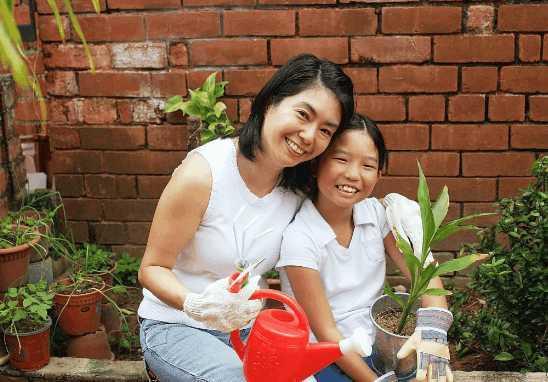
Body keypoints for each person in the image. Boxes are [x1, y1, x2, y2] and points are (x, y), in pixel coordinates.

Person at [137, 53, 355, 382]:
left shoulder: (296, 189)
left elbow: (350, 205)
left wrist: (395, 210)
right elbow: (151, 268)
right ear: (270, 102)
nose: (310, 136)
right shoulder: (202, 175)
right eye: (302, 114)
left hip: (244, 327)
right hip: (175, 325)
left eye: (325, 130)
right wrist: (196, 304)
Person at [277, 114, 454, 382]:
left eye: (368, 165)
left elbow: (424, 276)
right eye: (341, 159)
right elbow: (326, 332)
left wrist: (434, 342)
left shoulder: (378, 215)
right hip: (323, 356)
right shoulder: (299, 237)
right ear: (316, 164)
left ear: (379, 174)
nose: (353, 174)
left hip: (379, 346)